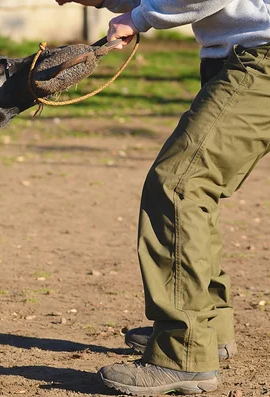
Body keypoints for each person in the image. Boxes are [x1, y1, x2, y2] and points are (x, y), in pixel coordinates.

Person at [56, 0, 270, 395]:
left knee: (177, 186)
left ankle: (183, 354)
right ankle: (208, 331)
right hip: (240, 54)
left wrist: (138, 18)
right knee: (197, 192)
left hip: (261, 57)